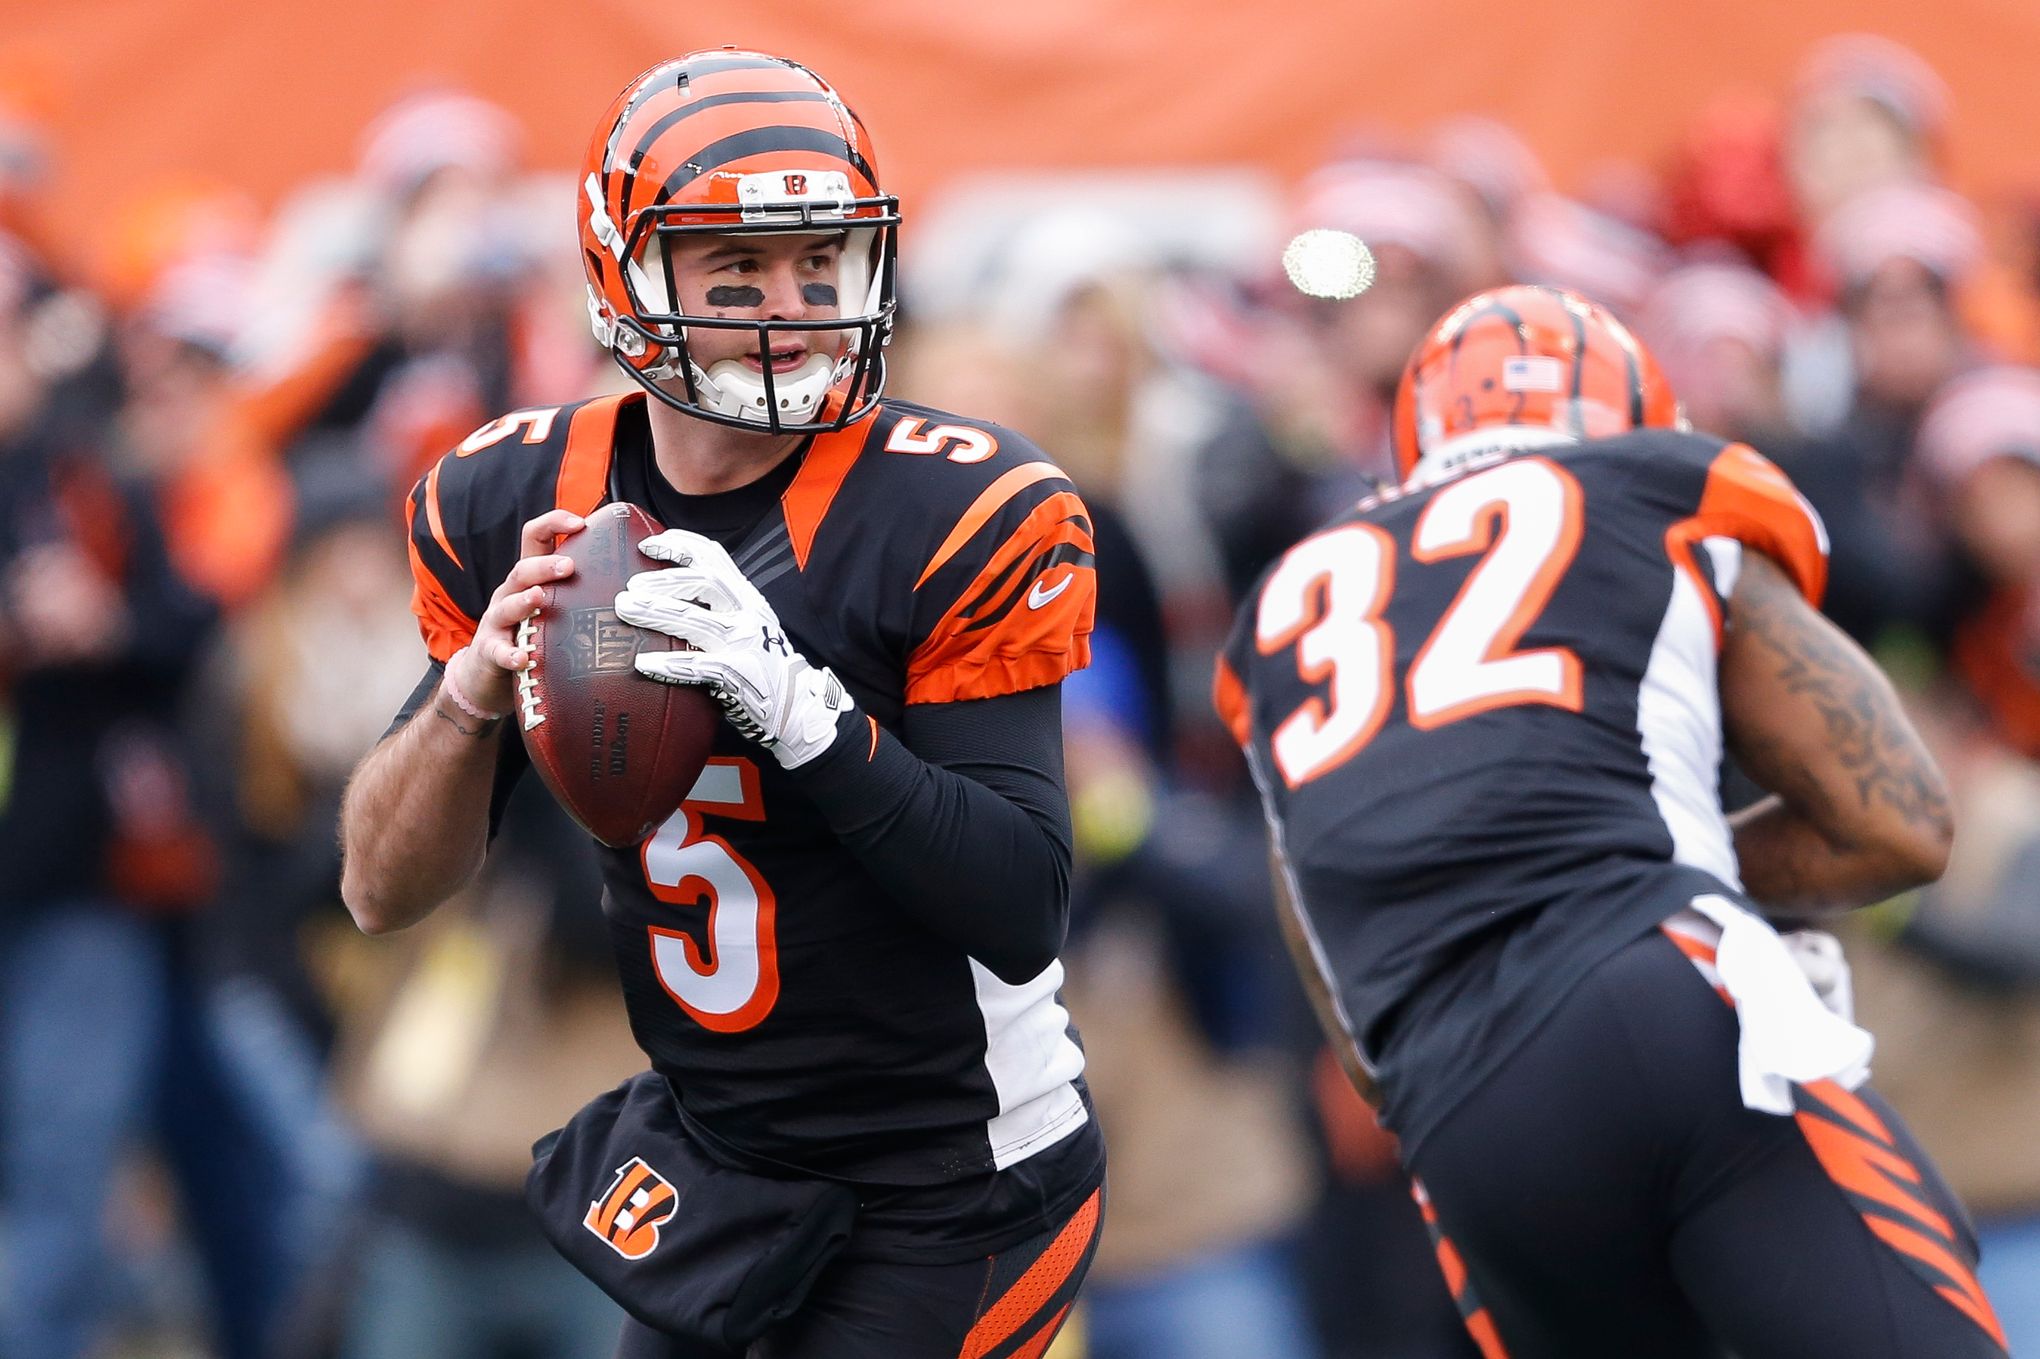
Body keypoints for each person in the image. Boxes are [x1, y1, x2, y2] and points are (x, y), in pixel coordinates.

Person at [338, 50, 1103, 1358]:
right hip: (730, 1164)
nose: (790, 307)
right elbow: (378, 886)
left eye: (820, 264)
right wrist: (474, 685)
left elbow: (1022, 903)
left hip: (953, 1174)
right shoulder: (518, 491)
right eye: (737, 270)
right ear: (623, 278)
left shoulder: (954, 506)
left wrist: (802, 713)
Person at [1213, 283, 2007, 1357]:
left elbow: (1354, 1020)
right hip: (1657, 992)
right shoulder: (1645, 491)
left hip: (1461, 1111)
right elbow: (1897, 817)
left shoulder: (1284, 609)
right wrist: (1673, 883)